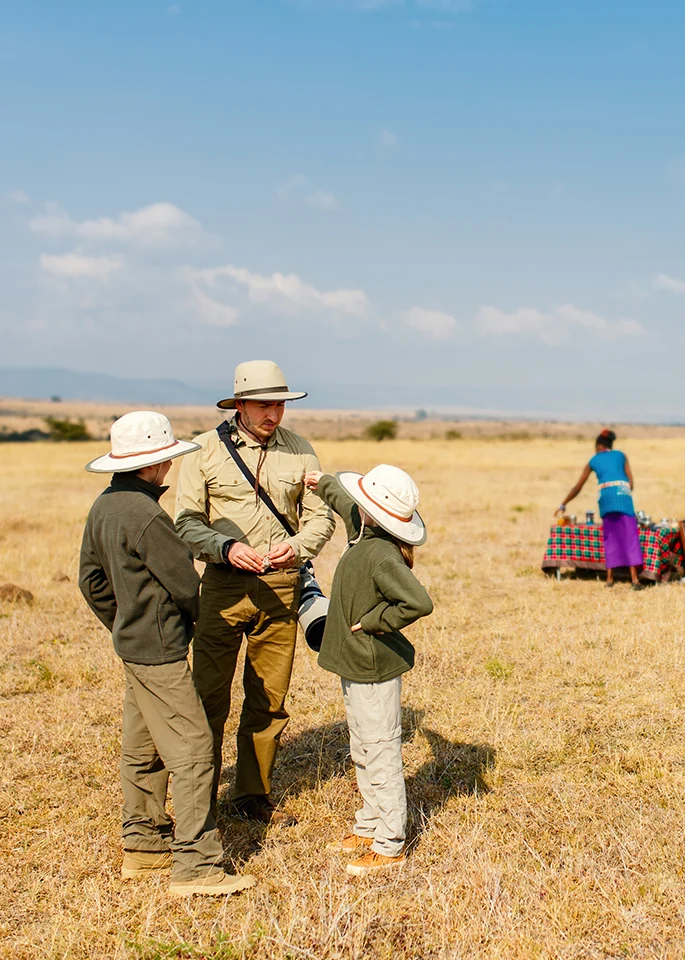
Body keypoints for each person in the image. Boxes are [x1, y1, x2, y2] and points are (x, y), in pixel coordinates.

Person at [79, 411, 256, 897]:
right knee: (195, 749)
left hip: (133, 647)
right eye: (166, 460)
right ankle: (197, 865)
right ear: (153, 464)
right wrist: (188, 623)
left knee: (143, 748)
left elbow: (90, 581)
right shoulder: (147, 515)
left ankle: (144, 846)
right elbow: (184, 585)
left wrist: (124, 622)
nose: (170, 468)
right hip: (159, 651)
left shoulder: (104, 506)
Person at [175, 361, 335, 826]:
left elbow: (321, 518)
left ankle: (251, 795)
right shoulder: (204, 450)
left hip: (282, 588)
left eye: (280, 405)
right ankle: (198, 800)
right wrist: (225, 548)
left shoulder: (301, 451)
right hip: (222, 588)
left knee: (268, 700)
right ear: (240, 404)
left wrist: (297, 548)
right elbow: (186, 522)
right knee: (208, 698)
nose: (274, 414)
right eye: (264, 405)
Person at [304, 464, 433, 877]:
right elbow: (346, 504)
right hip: (357, 664)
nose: (355, 506)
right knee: (363, 748)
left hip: (374, 669)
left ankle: (390, 843)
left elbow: (418, 602)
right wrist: (322, 483)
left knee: (380, 751)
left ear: (370, 511)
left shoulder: (380, 555)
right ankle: (369, 825)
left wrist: (375, 620)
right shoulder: (364, 534)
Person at [556, 428, 644, 589]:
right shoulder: (621, 456)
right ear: (610, 445)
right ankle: (634, 580)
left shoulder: (593, 460)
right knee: (629, 537)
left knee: (610, 537)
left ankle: (609, 579)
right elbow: (631, 483)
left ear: (598, 446)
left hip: (606, 499)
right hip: (623, 498)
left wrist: (563, 504)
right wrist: (622, 490)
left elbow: (578, 487)